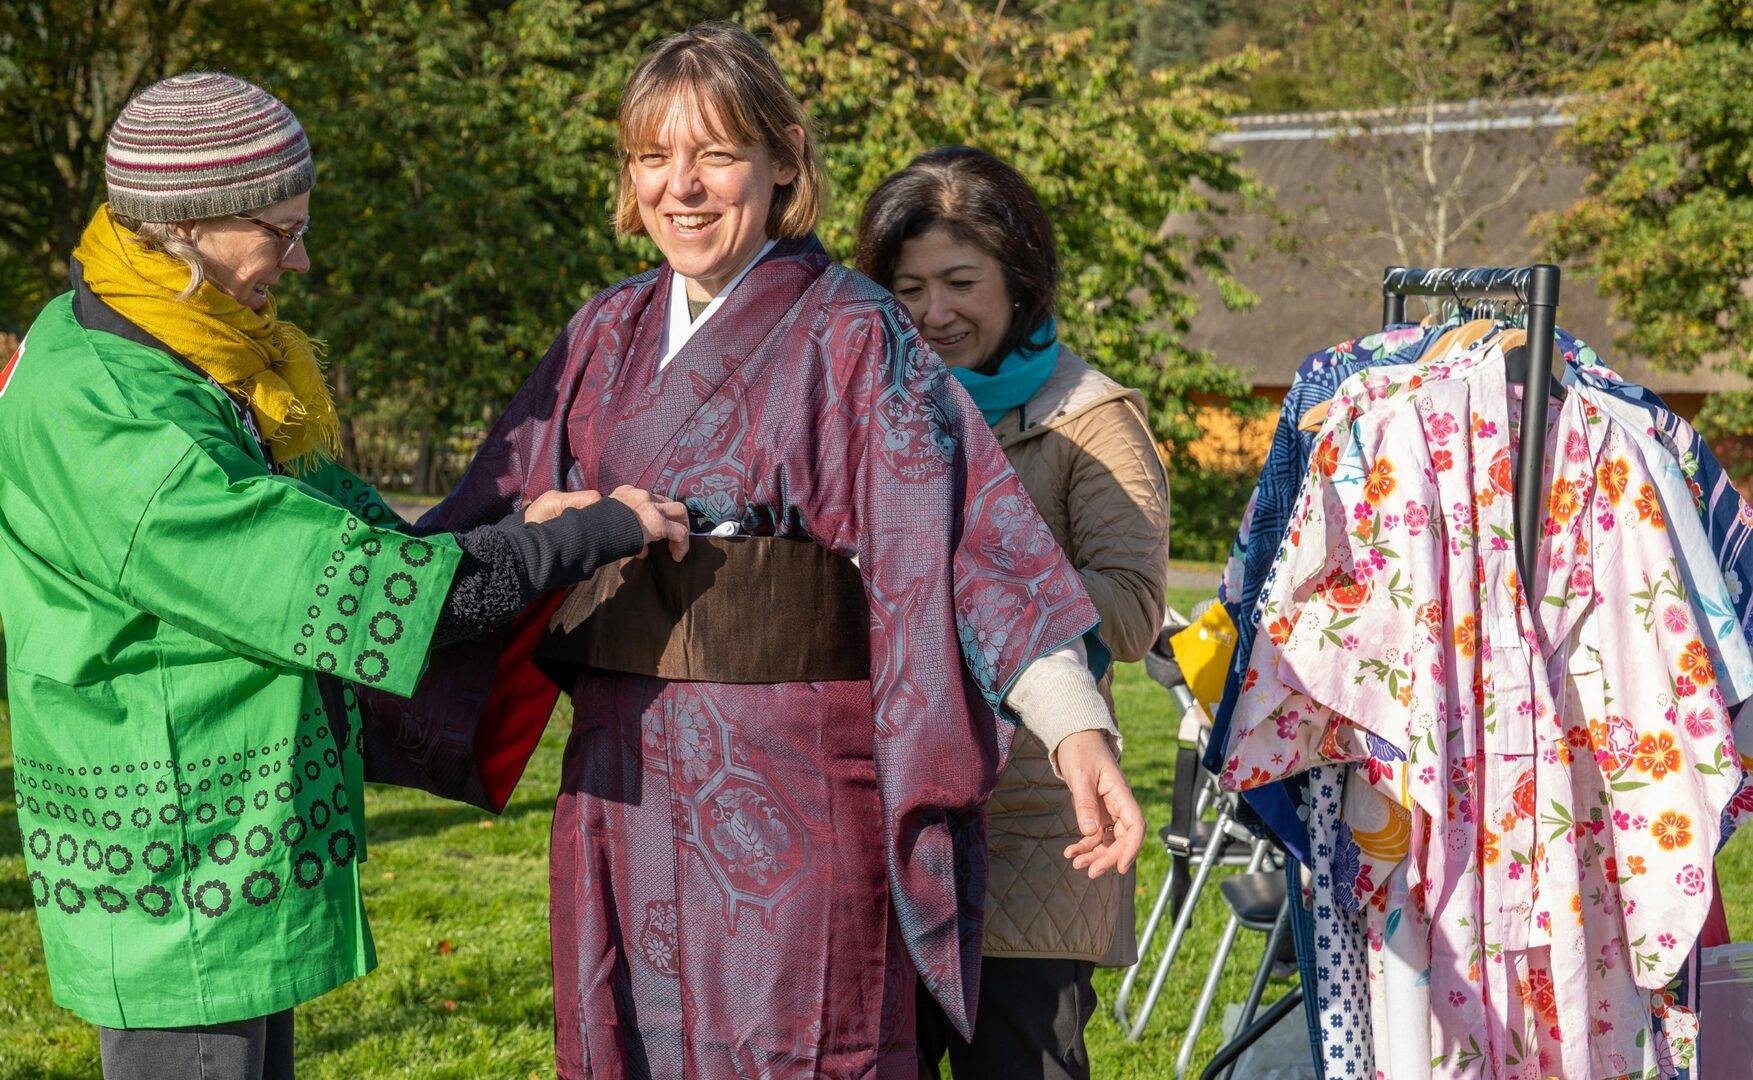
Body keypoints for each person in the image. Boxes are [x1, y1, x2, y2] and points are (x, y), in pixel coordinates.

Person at [386, 23, 1145, 1077]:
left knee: (797, 1046)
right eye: (653, 158)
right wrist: (542, 532)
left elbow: (963, 543)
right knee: (631, 1037)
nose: (681, 188)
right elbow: (477, 529)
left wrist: (1074, 729)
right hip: (622, 779)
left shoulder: (853, 335)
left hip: (789, 793)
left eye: (715, 155)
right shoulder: (602, 335)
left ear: (783, 159)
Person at [0, 72, 686, 1080]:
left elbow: (341, 517)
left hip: (210, 854)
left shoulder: (170, 347)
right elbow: (354, 586)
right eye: (280, 229)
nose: (302, 257)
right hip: (180, 871)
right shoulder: (114, 413)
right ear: (189, 227)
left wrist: (522, 520)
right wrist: (592, 536)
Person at [856, 147, 1173, 1079]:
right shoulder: (875, 411)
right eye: (907, 286)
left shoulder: (1089, 417)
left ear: (1019, 279)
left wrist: (981, 608)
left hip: (1037, 820)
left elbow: (1132, 605)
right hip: (892, 801)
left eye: (961, 281)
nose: (934, 312)